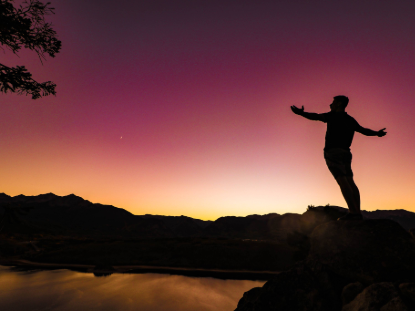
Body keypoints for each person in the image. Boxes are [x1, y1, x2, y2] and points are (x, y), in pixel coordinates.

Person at [290, 95, 387, 220]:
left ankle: (353, 213)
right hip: (346, 153)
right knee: (350, 181)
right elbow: (364, 130)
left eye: (333, 102)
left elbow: (316, 116)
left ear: (339, 104)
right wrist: (377, 133)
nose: (330, 105)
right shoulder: (350, 120)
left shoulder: (333, 116)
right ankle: (357, 212)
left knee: (342, 181)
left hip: (333, 153)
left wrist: (300, 113)